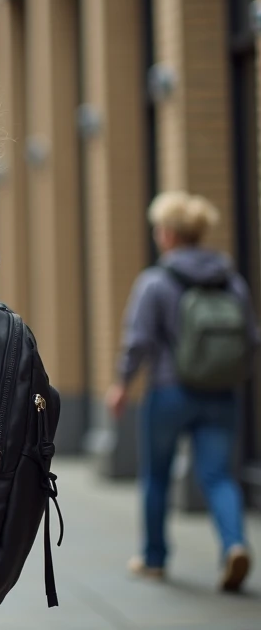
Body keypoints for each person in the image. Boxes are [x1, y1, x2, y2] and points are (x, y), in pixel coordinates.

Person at [106, 191, 255, 592]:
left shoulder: (156, 281)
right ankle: (235, 544)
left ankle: (154, 559)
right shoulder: (231, 281)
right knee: (219, 475)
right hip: (221, 393)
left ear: (169, 234)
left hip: (169, 392)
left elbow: (138, 340)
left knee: (156, 474)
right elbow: (250, 339)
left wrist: (122, 383)